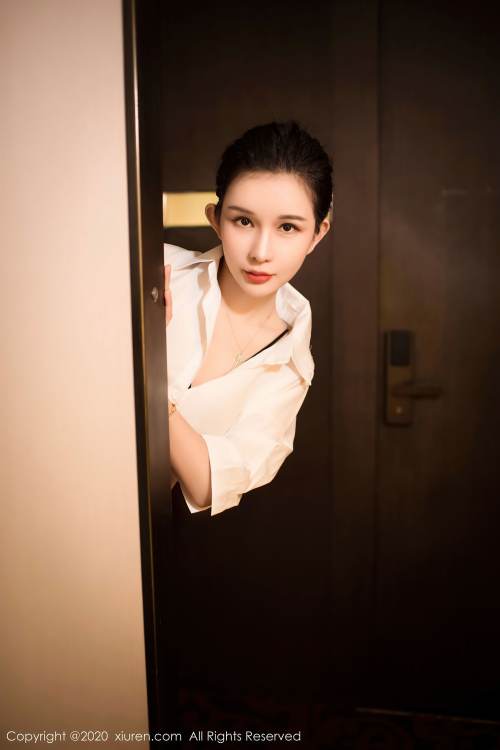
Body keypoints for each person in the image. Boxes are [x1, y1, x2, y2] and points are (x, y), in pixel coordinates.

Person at [164, 120, 332, 516]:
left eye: (287, 227)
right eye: (243, 221)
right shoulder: (156, 272)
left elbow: (209, 484)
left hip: (126, 529)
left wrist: (146, 365)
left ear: (317, 234)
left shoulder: (291, 368)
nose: (260, 252)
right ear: (215, 219)